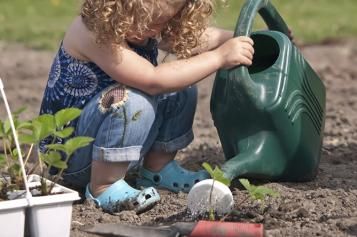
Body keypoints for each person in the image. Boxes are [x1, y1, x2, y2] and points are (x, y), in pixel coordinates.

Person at [39, 0, 254, 213]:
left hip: (114, 145)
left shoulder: (138, 27)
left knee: (180, 88)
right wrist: (219, 57)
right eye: (146, 20)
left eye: (161, 22)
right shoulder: (91, 31)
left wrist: (242, 38)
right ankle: (104, 187)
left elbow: (195, 39)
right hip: (70, 158)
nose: (152, 30)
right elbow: (153, 80)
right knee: (131, 100)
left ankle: (158, 170)